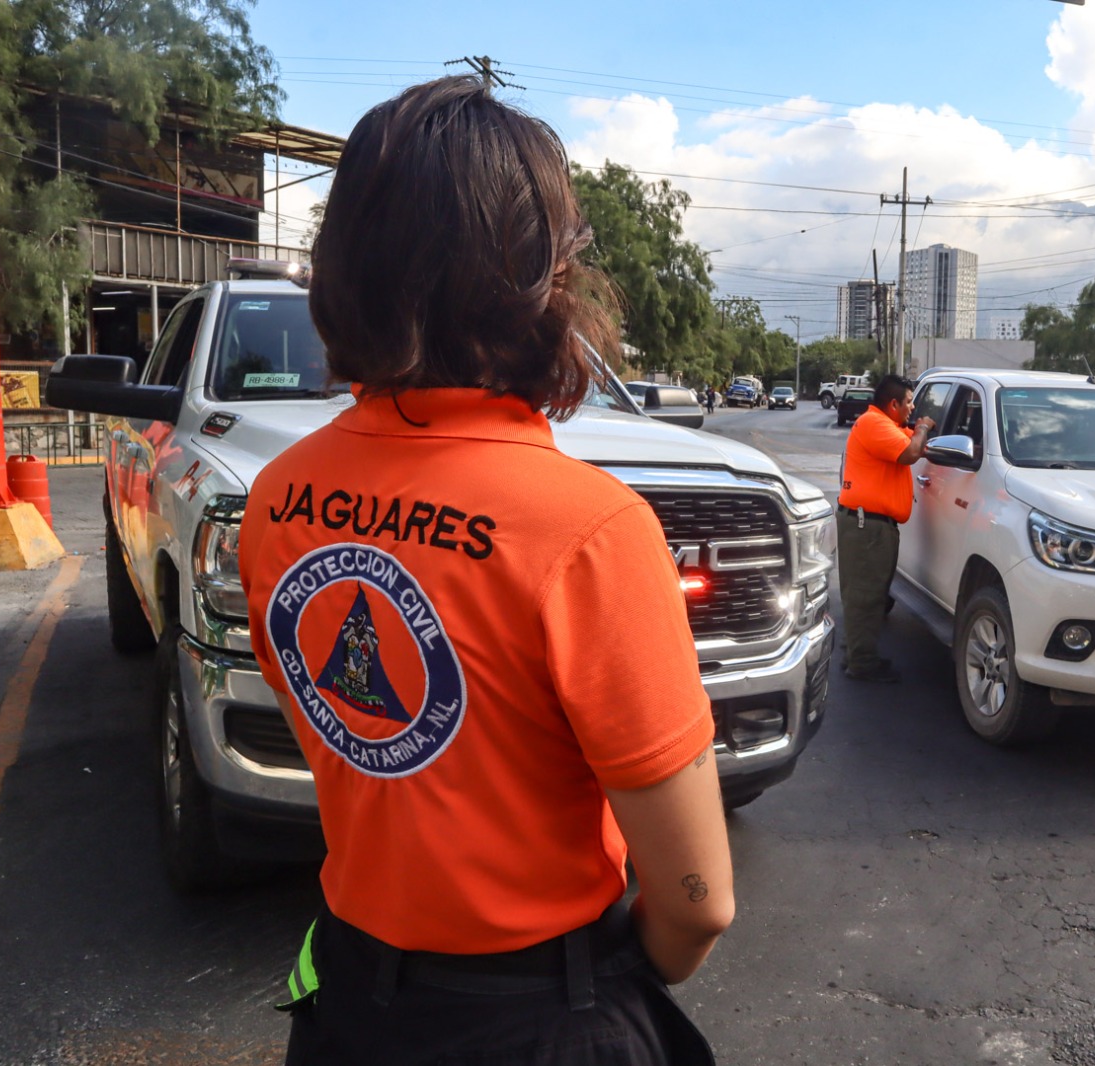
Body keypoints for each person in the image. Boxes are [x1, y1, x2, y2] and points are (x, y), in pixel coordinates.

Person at [237, 77, 732, 1065]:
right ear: (540, 278)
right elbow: (697, 902)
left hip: (347, 1004)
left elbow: (358, 745)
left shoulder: (278, 497)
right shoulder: (588, 529)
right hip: (533, 1016)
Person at [836, 374, 934, 683]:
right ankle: (862, 664)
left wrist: (919, 432)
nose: (912, 407)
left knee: (866, 593)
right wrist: (922, 428)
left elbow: (911, 442)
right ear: (893, 404)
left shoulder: (885, 425)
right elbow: (910, 452)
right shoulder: (874, 424)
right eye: (908, 402)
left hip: (870, 525)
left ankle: (855, 652)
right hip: (867, 526)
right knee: (866, 596)